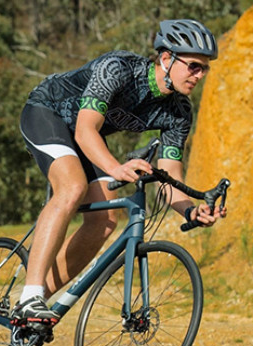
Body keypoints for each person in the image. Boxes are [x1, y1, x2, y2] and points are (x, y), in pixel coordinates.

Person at [12, 19, 227, 323]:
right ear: (167, 58)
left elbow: (169, 173)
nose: (199, 75)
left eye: (204, 69)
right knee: (72, 187)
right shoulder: (118, 69)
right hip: (47, 112)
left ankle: (32, 310)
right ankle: (30, 295)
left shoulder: (179, 112)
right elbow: (86, 129)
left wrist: (191, 211)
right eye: (193, 66)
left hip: (84, 137)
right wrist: (116, 168)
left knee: (105, 220)